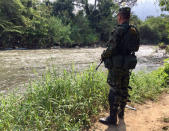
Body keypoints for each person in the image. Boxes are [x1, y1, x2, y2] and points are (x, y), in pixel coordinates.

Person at [99, 7, 140, 126]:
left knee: (113, 90)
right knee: (124, 88)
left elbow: (111, 49)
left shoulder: (118, 30)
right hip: (127, 64)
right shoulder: (134, 30)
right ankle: (121, 113)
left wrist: (103, 55)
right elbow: (136, 48)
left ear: (120, 16)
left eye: (118, 16)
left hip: (116, 66)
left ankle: (112, 118)